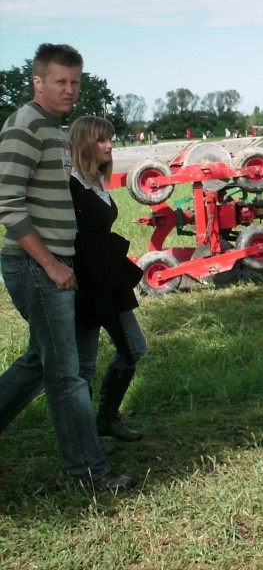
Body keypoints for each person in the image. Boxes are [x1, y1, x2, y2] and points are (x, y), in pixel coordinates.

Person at [0, 43, 137, 491]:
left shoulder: (56, 130)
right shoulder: (24, 127)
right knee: (66, 373)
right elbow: (7, 202)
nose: (70, 90)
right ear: (37, 81)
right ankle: (89, 472)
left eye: (75, 81)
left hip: (55, 261)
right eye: (60, 81)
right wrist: (51, 264)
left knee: (42, 362)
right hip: (35, 264)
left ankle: (85, 459)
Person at [69, 116, 147, 442]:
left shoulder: (97, 182)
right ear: (85, 143)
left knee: (134, 347)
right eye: (102, 140)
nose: (110, 145)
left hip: (109, 277)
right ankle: (85, 438)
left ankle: (106, 418)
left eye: (110, 139)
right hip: (86, 283)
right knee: (85, 364)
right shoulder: (71, 185)